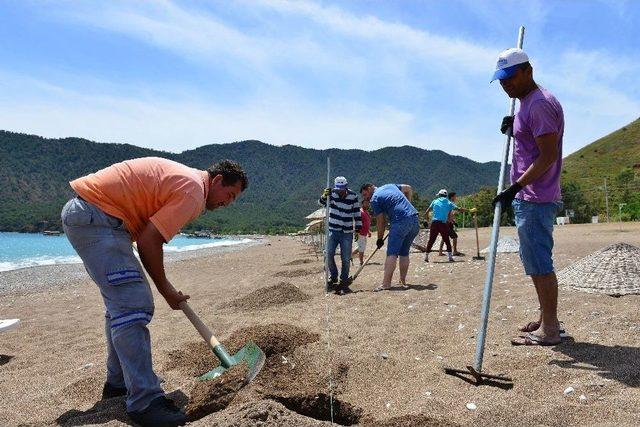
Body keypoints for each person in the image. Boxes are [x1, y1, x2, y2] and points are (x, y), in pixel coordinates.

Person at [61, 157, 248, 426]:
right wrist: (167, 290)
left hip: (92, 215)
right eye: (229, 195)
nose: (227, 203)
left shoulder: (188, 181)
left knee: (121, 306)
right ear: (217, 180)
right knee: (133, 304)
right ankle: (144, 402)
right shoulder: (194, 191)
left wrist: (165, 289)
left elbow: (148, 235)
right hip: (97, 217)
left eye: (233, 200)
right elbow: (150, 240)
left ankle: (119, 385)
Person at [491, 48, 564, 346]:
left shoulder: (539, 105)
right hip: (530, 195)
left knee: (539, 262)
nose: (505, 84)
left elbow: (547, 156)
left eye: (510, 77)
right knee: (534, 260)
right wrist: (514, 130)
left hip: (535, 196)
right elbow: (531, 144)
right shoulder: (527, 105)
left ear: (528, 71)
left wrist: (515, 188)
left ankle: (550, 330)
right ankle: (548, 319)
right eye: (501, 79)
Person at [360, 183, 419, 291]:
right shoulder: (390, 186)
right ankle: (403, 280)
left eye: (365, 194)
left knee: (392, 253)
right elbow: (408, 188)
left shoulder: (375, 199)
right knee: (404, 252)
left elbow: (381, 221)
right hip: (414, 219)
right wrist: (409, 203)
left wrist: (379, 238)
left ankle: (386, 284)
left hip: (400, 221)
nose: (365, 198)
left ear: (369, 188)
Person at [319, 176, 362, 295]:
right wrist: (324, 196)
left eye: (342, 188)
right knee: (328, 254)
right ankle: (333, 276)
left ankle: (343, 280)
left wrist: (358, 228)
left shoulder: (353, 196)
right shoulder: (331, 194)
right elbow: (321, 203)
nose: (340, 191)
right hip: (333, 230)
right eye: (338, 189)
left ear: (346, 186)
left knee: (346, 258)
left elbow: (357, 213)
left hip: (347, 232)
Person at [424, 189, 469, 262]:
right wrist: (469, 210)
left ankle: (426, 257)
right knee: (446, 240)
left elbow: (426, 212)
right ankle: (450, 257)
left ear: (439, 195)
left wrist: (427, 220)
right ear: (445, 195)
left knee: (431, 240)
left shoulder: (434, 201)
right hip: (443, 224)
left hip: (434, 223)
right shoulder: (449, 203)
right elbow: (459, 209)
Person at [438, 192, 462, 256]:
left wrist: (453, 222)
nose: (456, 198)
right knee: (455, 237)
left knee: (444, 237)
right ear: (452, 197)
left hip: (446, 223)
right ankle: (455, 251)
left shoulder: (447, 203)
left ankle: (440, 252)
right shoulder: (450, 204)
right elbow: (448, 214)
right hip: (447, 224)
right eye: (455, 196)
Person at [352, 199, 372, 266]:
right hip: (360, 233)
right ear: (362, 204)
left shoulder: (366, 212)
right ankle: (361, 262)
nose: (367, 205)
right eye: (366, 203)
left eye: (368, 203)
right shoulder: (360, 212)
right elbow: (356, 221)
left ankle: (350, 256)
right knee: (361, 248)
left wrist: (368, 231)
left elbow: (366, 223)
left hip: (364, 233)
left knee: (361, 247)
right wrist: (356, 232)